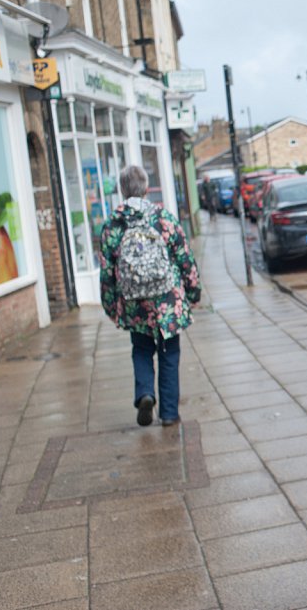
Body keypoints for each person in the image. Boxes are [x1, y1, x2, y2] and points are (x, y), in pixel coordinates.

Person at [99, 165, 201, 427]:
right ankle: (169, 414)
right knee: (169, 353)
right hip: (167, 300)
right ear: (146, 189)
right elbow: (185, 258)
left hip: (135, 303)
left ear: (122, 190)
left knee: (142, 349)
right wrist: (193, 291)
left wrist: (110, 306)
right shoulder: (163, 218)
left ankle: (145, 393)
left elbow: (107, 271)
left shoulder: (113, 225)